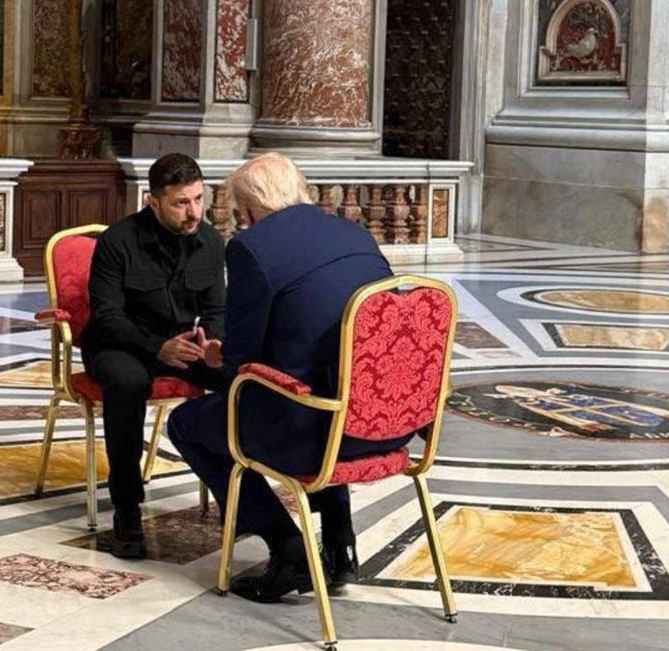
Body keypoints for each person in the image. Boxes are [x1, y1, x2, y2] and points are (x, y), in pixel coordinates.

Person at [167, 153, 417, 602]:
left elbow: (242, 364)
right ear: (302, 190)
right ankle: (340, 543)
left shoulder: (252, 247)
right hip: (386, 425)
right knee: (331, 378)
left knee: (188, 423)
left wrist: (213, 359)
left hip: (311, 439)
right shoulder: (355, 233)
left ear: (247, 212)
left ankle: (287, 547)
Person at [81, 153, 227, 560]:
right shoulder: (118, 241)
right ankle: (127, 506)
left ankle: (237, 495)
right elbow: (107, 315)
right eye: (181, 203)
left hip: (182, 345)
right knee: (128, 383)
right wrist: (155, 347)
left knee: (241, 376)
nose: (193, 211)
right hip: (118, 345)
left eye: (199, 199)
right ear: (153, 201)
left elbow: (216, 309)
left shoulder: (211, 242)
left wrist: (212, 343)